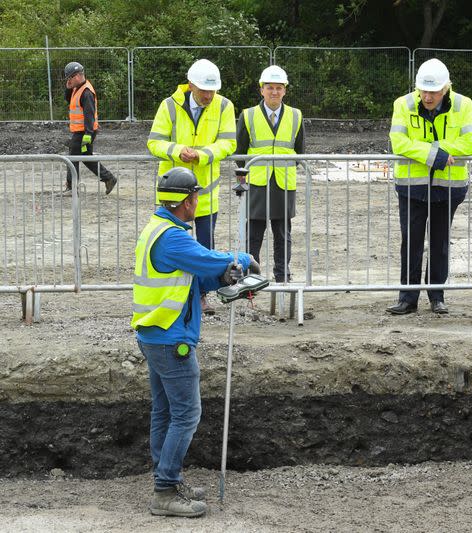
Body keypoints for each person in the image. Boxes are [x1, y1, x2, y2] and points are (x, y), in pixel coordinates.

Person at [131, 167, 259, 518]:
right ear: (187, 201)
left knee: (165, 411)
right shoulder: (173, 237)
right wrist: (242, 260)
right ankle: (165, 490)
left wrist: (222, 280)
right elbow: (206, 258)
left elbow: (190, 278)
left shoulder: (159, 229)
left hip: (155, 333)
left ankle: (166, 480)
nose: (198, 201)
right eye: (196, 196)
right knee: (186, 414)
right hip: (171, 339)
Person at [386, 58, 472, 315]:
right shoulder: (403, 104)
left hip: (448, 188)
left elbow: (469, 143)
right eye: (423, 91)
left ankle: (437, 296)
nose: (427, 97)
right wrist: (432, 155)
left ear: (446, 88)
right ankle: (407, 298)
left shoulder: (463, 105)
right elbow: (398, 142)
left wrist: (440, 151)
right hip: (411, 187)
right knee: (411, 242)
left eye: (433, 92)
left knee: (440, 243)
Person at [147, 58, 237, 315]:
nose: (209, 95)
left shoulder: (224, 107)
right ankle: (174, 297)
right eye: (204, 90)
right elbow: (154, 142)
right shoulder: (169, 106)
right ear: (190, 86)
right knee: (172, 247)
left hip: (206, 195)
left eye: (212, 90)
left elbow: (229, 143)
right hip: (173, 197)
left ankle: (200, 296)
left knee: (204, 251)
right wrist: (177, 151)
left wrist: (203, 154)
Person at [235, 65, 304, 282]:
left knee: (283, 234)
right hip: (257, 181)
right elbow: (240, 150)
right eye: (270, 87)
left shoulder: (295, 115)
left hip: (283, 182)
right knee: (254, 233)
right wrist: (243, 174)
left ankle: (282, 275)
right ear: (261, 90)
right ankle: (250, 276)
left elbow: (300, 150)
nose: (274, 92)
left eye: (278, 88)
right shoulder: (248, 115)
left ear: (285, 90)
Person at [62, 61, 117, 195]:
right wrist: (68, 88)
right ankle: (108, 178)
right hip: (82, 131)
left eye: (69, 78)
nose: (68, 80)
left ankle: (72, 187)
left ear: (77, 76)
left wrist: (88, 134)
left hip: (84, 132)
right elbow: (69, 100)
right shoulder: (77, 88)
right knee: (86, 157)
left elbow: (89, 115)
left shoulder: (86, 92)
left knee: (72, 158)